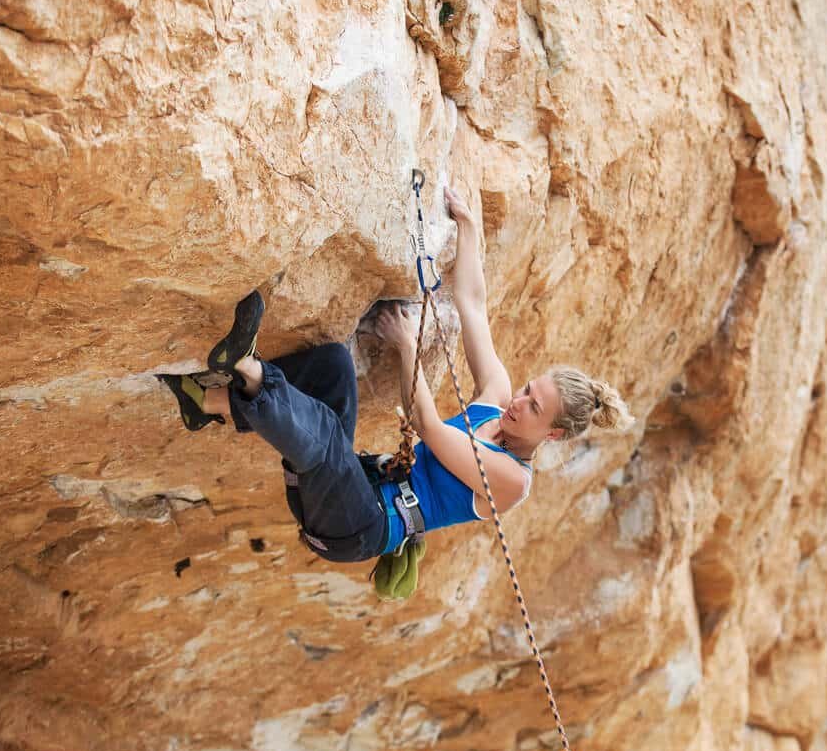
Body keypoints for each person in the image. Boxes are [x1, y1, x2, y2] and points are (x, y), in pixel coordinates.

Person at [157, 187, 634, 563]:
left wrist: (408, 349)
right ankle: (204, 403)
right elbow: (473, 303)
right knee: (332, 368)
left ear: (550, 432)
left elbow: (429, 427)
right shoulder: (497, 398)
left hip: (360, 526)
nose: (520, 400)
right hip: (355, 489)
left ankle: (243, 363)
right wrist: (468, 227)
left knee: (323, 435)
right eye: (530, 389)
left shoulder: (511, 481)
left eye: (534, 407)